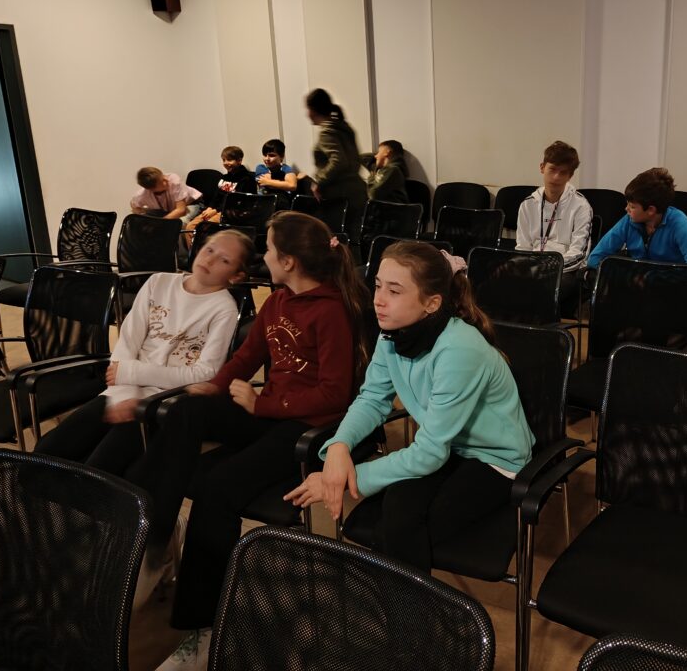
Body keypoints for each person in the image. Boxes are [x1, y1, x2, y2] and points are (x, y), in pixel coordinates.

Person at [143, 211, 369, 670]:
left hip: (307, 428)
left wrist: (262, 404)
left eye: (267, 249)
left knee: (218, 486)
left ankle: (205, 625)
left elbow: (335, 395)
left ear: (288, 261)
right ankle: (153, 534)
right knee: (185, 411)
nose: (262, 256)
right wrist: (212, 387)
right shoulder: (279, 300)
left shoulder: (331, 311)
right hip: (269, 413)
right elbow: (246, 358)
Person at [285, 241, 534, 575]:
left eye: (394, 291)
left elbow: (429, 454)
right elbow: (372, 398)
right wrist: (339, 448)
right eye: (378, 286)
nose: (378, 299)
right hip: (448, 446)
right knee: (396, 509)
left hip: (494, 459)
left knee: (397, 529)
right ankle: (405, 605)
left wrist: (345, 478)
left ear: (432, 303)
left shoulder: (459, 350)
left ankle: (408, 608)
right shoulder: (392, 334)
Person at [34, 230, 251, 474]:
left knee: (97, 469)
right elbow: (127, 342)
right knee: (47, 451)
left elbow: (204, 373)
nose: (209, 260)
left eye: (224, 260)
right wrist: (124, 394)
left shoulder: (224, 309)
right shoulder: (159, 282)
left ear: (236, 276)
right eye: (209, 249)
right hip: (121, 388)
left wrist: (131, 373)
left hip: (164, 401)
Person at [515, 140, 593, 315]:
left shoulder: (581, 206)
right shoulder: (528, 204)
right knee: (501, 282)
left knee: (543, 292)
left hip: (567, 271)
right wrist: (530, 267)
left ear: (570, 176)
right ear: (542, 167)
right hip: (534, 266)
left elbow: (579, 254)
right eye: (552, 170)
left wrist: (549, 268)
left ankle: (541, 329)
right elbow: (522, 247)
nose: (556, 177)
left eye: (563, 172)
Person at [586, 167, 687, 270]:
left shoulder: (678, 222)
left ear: (651, 210)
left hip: (669, 285)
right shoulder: (629, 220)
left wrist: (657, 278)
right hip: (637, 284)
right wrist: (624, 275)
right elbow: (595, 257)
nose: (626, 209)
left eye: (632, 206)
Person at [307, 88, 368, 234]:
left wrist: (318, 181)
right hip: (356, 191)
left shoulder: (327, 131)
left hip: (339, 195)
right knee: (352, 239)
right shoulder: (344, 127)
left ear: (312, 110)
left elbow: (339, 160)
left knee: (337, 240)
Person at [185, 146, 258, 230]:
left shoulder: (247, 179)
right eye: (224, 160)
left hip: (233, 213)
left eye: (229, 160)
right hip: (218, 210)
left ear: (239, 160)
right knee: (190, 227)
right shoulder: (224, 178)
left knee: (205, 227)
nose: (226, 163)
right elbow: (216, 197)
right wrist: (210, 208)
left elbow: (237, 201)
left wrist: (215, 211)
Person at [131, 167, 203, 224]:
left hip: (191, 204)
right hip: (168, 211)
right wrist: (143, 211)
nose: (166, 179)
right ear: (151, 189)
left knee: (179, 224)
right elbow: (134, 205)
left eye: (163, 176)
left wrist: (160, 222)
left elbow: (181, 210)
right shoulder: (143, 194)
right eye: (162, 181)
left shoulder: (174, 180)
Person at [254, 138, 297, 210]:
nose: (267, 159)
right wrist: (284, 183)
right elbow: (265, 181)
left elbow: (292, 185)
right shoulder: (261, 167)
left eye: (271, 155)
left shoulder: (286, 168)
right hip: (264, 205)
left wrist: (269, 182)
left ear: (281, 157)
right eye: (265, 155)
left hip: (282, 206)